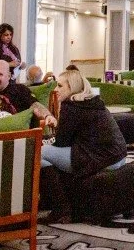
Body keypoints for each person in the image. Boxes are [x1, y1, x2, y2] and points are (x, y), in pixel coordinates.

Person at [40, 69, 128, 222]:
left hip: (100, 158)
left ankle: (61, 207)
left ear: (72, 88)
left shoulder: (71, 106)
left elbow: (61, 142)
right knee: (45, 154)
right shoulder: (92, 102)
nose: (56, 90)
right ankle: (58, 202)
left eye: (60, 86)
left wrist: (48, 141)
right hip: (118, 157)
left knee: (39, 152)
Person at [0, 59, 54, 127]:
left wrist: (47, 116)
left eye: (0, 74)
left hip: (17, 134)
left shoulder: (19, 89)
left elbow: (35, 105)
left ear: (9, 76)